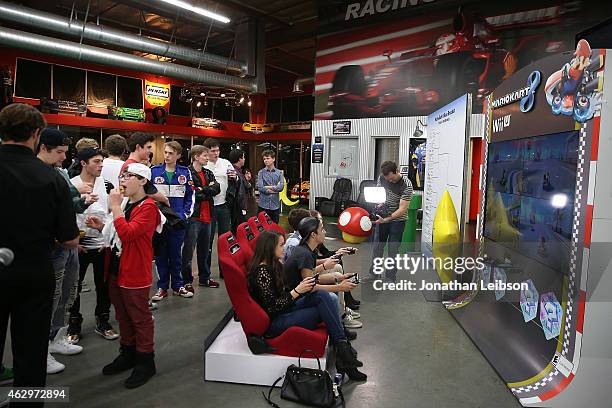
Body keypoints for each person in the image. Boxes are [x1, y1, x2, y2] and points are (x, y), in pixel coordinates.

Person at [0, 103, 79, 394]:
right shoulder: (52, 178)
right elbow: (70, 238)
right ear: (36, 133)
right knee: (31, 351)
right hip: (34, 271)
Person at [248, 230, 366, 381]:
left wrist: (301, 289)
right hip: (276, 322)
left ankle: (343, 352)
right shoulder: (262, 272)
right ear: (269, 248)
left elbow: (286, 292)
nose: (284, 248)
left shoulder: (274, 264)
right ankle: (344, 355)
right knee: (326, 308)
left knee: (323, 296)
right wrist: (298, 291)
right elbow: (272, 308)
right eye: (281, 245)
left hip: (287, 308)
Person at [88, 163, 162, 389]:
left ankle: (145, 360)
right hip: (116, 269)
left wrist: (114, 206)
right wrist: (103, 227)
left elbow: (129, 234)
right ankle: (128, 352)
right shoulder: (128, 203)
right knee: (122, 315)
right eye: (123, 175)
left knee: (139, 317)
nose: (123, 180)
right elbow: (119, 234)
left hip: (134, 272)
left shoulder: (148, 207)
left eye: (129, 176)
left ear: (142, 181)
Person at [37, 129, 93, 374]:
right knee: (50, 297)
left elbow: (68, 203)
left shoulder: (59, 172)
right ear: (43, 147)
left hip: (69, 244)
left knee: (68, 293)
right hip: (52, 247)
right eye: (59, 152)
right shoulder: (35, 173)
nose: (63, 157)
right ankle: (41, 351)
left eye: (64, 152)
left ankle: (55, 339)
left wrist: (82, 202)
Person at [69, 148, 119, 343]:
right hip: (77, 245)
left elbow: (112, 214)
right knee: (75, 286)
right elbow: (65, 215)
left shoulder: (107, 185)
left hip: (101, 244)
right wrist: (72, 241)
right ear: (83, 163)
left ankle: (103, 320)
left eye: (102, 162)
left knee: (103, 285)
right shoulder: (71, 185)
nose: (101, 166)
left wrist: (107, 240)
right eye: (96, 162)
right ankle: (74, 323)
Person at [151, 141, 194, 300]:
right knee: (161, 255)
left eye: (171, 153)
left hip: (178, 222)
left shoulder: (185, 173)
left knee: (176, 255)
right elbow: (147, 194)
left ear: (178, 155)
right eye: (166, 152)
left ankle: (178, 285)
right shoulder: (154, 171)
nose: (167, 156)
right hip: (159, 222)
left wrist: (184, 215)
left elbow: (191, 196)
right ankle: (162, 287)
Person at [181, 145, 220, 292]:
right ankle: (186, 281)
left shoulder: (208, 173)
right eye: (205, 155)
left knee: (205, 250)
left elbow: (217, 188)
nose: (207, 157)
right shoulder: (187, 173)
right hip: (193, 217)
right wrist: (205, 190)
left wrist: (202, 189)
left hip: (208, 216)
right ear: (196, 157)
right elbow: (192, 194)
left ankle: (204, 278)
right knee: (188, 251)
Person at [368, 161, 412, 282]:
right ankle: (374, 274)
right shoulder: (382, 178)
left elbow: (402, 209)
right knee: (377, 247)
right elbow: (378, 194)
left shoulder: (406, 185)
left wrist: (387, 219)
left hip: (397, 221)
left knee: (393, 249)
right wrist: (379, 204)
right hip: (382, 216)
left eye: (392, 179)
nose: (390, 181)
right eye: (388, 179)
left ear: (396, 171)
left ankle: (390, 277)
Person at [204, 138, 237, 276]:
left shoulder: (226, 163)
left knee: (225, 240)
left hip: (223, 206)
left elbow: (234, 178)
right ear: (207, 152)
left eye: (217, 150)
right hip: (208, 207)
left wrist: (235, 177)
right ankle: (205, 273)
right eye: (213, 151)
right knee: (207, 240)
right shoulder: (203, 164)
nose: (216, 153)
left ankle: (225, 271)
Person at [256, 150, 284, 223]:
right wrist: (275, 188)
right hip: (263, 205)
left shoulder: (279, 173)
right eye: (264, 159)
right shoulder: (261, 172)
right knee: (262, 228)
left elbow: (281, 187)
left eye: (268, 158)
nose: (265, 160)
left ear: (273, 159)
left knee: (274, 228)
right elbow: (260, 188)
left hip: (275, 206)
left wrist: (268, 187)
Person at [228, 148, 250, 232]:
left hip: (238, 206)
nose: (244, 159)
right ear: (239, 159)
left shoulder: (239, 171)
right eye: (243, 157)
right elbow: (240, 190)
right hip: (237, 206)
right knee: (238, 230)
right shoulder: (234, 172)